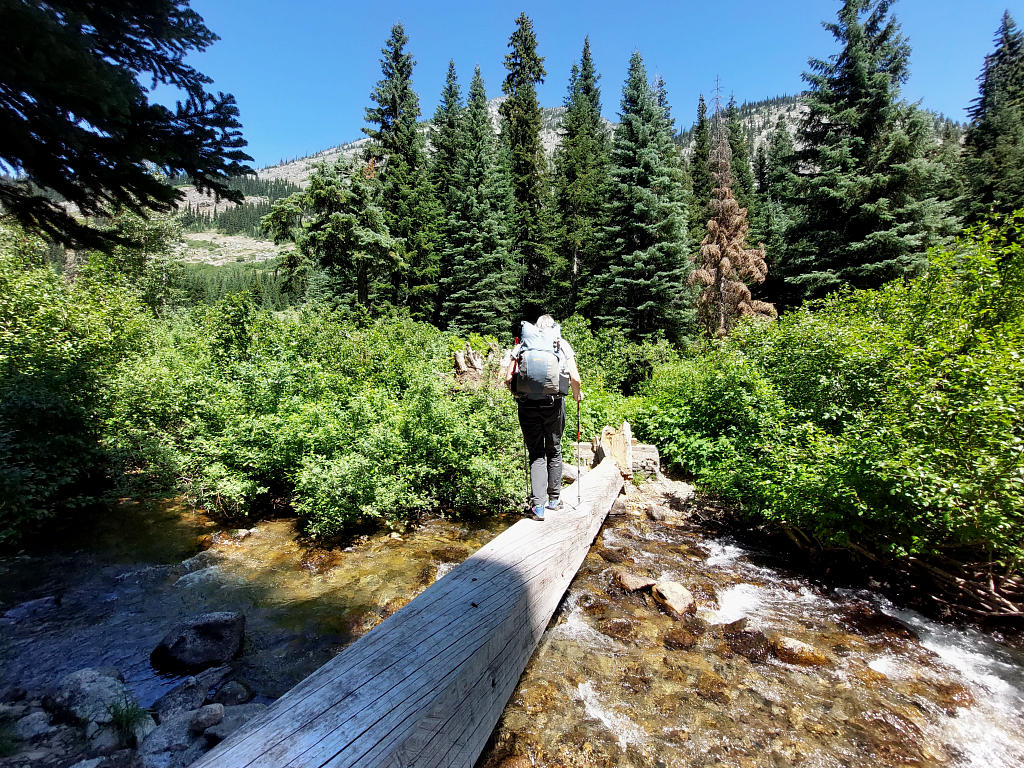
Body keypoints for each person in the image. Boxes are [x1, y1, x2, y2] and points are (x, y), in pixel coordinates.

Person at [505, 315, 583, 521]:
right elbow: (575, 378)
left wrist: (518, 395)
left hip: (527, 405)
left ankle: (538, 507)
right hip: (554, 404)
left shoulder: (522, 345)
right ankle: (554, 500)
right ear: (553, 328)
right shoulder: (561, 344)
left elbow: (507, 378)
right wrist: (576, 395)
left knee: (536, 453)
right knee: (554, 449)